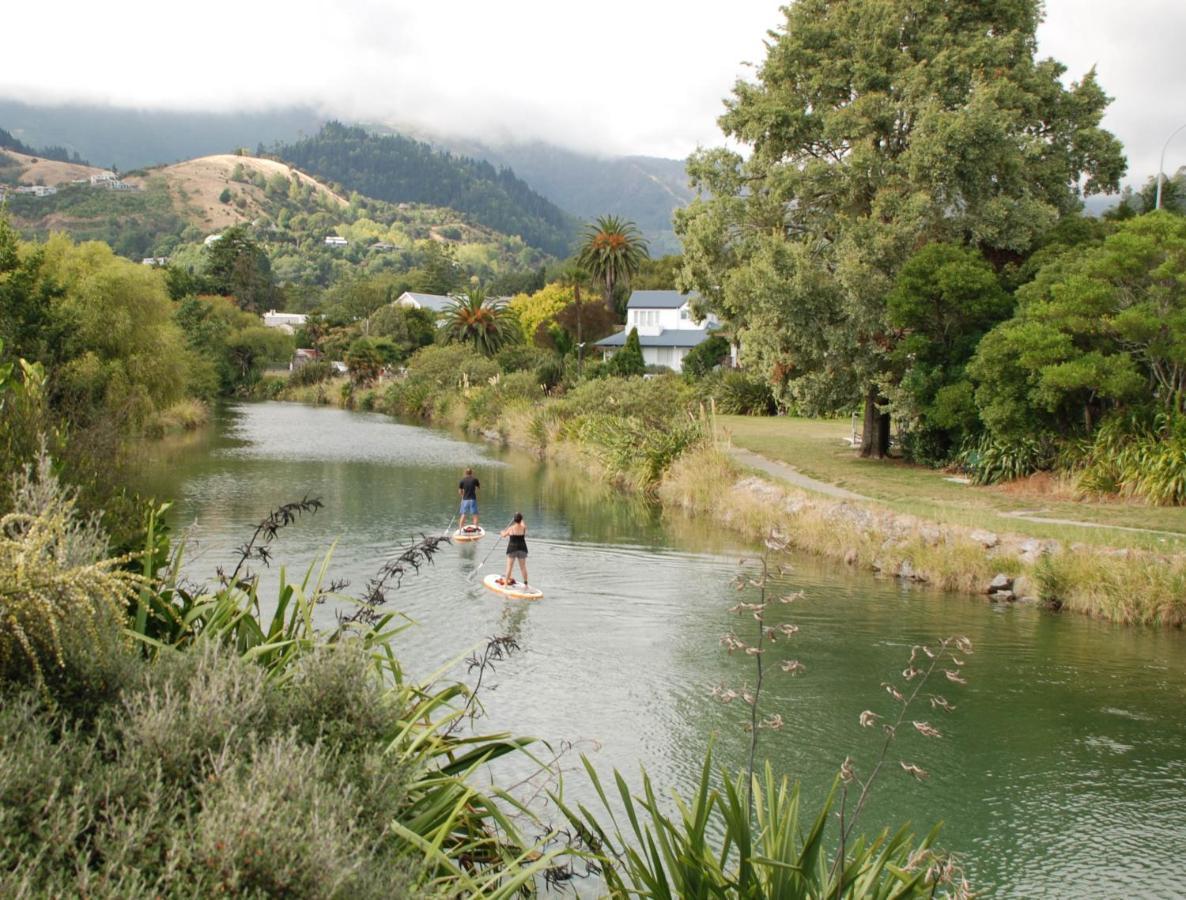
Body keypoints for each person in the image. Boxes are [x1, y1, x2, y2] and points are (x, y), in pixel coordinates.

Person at [498, 512, 528, 586]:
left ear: (514, 520)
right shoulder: (524, 528)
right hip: (522, 548)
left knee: (509, 567)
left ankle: (505, 586)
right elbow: (522, 522)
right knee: (523, 567)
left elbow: (504, 535)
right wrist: (520, 517)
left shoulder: (510, 528)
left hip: (512, 549)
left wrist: (501, 532)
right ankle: (526, 585)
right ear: (521, 520)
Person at [458, 467, 480, 532]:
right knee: (475, 514)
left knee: (463, 514)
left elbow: (459, 491)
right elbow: (478, 487)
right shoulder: (475, 479)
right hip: (473, 499)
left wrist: (462, 496)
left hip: (465, 500)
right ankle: (476, 528)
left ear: (465, 473)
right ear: (472, 473)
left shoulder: (462, 480)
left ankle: (460, 529)